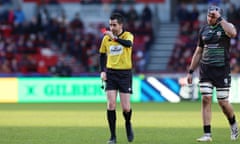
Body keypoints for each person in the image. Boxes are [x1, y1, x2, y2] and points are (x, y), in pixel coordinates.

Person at [186, 5, 239, 142]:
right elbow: (198, 52)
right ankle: (207, 134)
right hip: (206, 69)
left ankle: (233, 123)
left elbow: (233, 33)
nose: (210, 18)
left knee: (223, 103)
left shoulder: (226, 26)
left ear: (219, 17)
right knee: (206, 99)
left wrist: (220, 19)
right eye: (209, 15)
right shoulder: (203, 29)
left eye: (213, 16)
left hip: (222, 70)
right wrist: (191, 71)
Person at [99, 13, 134, 144]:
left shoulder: (128, 35)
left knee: (126, 108)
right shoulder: (106, 39)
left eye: (114, 25)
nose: (111, 27)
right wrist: (102, 71)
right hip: (111, 73)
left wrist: (113, 38)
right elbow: (102, 54)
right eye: (110, 25)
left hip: (125, 74)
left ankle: (128, 123)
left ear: (121, 25)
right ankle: (113, 136)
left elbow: (128, 44)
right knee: (111, 104)